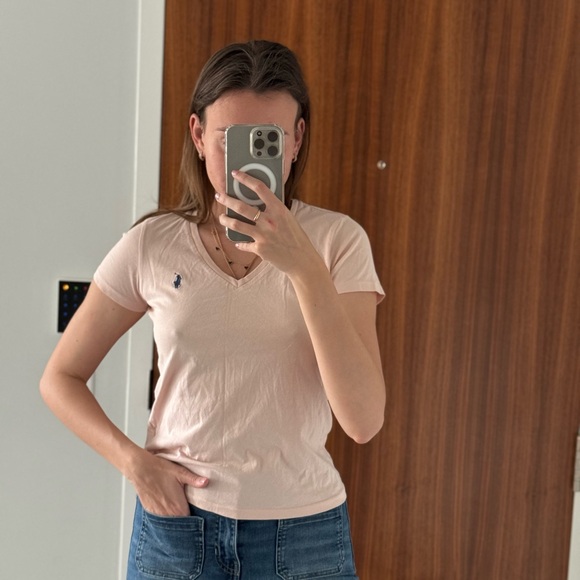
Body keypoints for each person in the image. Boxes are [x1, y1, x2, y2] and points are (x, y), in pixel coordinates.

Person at [40, 40, 385, 579]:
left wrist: (304, 269)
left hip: (305, 537)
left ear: (296, 139)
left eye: (268, 140)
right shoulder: (153, 244)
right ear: (198, 136)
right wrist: (136, 464)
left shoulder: (338, 242)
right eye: (231, 141)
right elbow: (60, 378)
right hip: (178, 528)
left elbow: (363, 421)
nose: (250, 165)